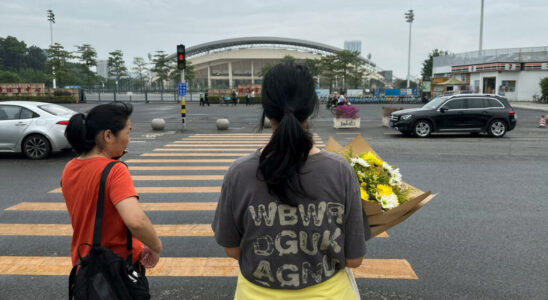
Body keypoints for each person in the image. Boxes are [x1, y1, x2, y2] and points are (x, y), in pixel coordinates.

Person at [212, 62, 370, 300]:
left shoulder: (239, 173)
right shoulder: (340, 171)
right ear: (311, 108)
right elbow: (354, 260)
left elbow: (232, 250)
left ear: (266, 109)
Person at [62, 103, 162, 287]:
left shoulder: (70, 168)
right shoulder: (115, 170)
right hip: (116, 270)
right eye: (128, 132)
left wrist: (110, 157)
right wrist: (155, 246)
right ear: (108, 136)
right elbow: (136, 221)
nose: (128, 139)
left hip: (84, 268)